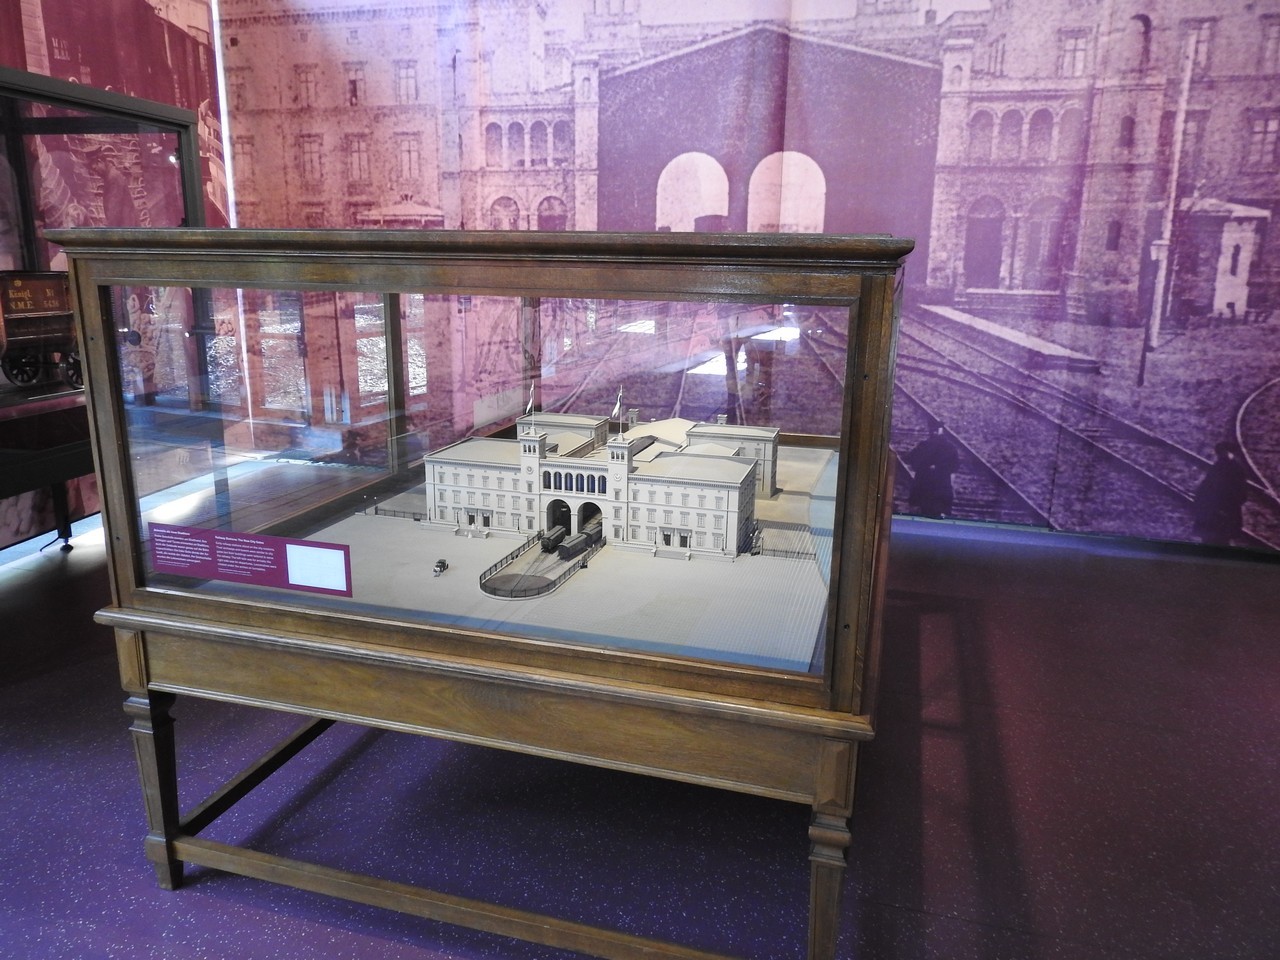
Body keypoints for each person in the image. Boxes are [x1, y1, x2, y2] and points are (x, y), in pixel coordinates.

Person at [1191, 441, 1249, 546]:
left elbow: (1205, 489)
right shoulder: (1237, 468)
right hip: (1227, 513)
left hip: (1214, 514)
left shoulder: (1219, 467)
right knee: (1222, 541)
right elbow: (1242, 495)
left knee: (1212, 541)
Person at [905, 421, 960, 519]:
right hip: (942, 489)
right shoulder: (951, 448)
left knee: (922, 512)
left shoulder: (923, 445)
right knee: (940, 513)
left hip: (923, 488)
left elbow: (911, 460)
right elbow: (954, 468)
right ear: (942, 431)